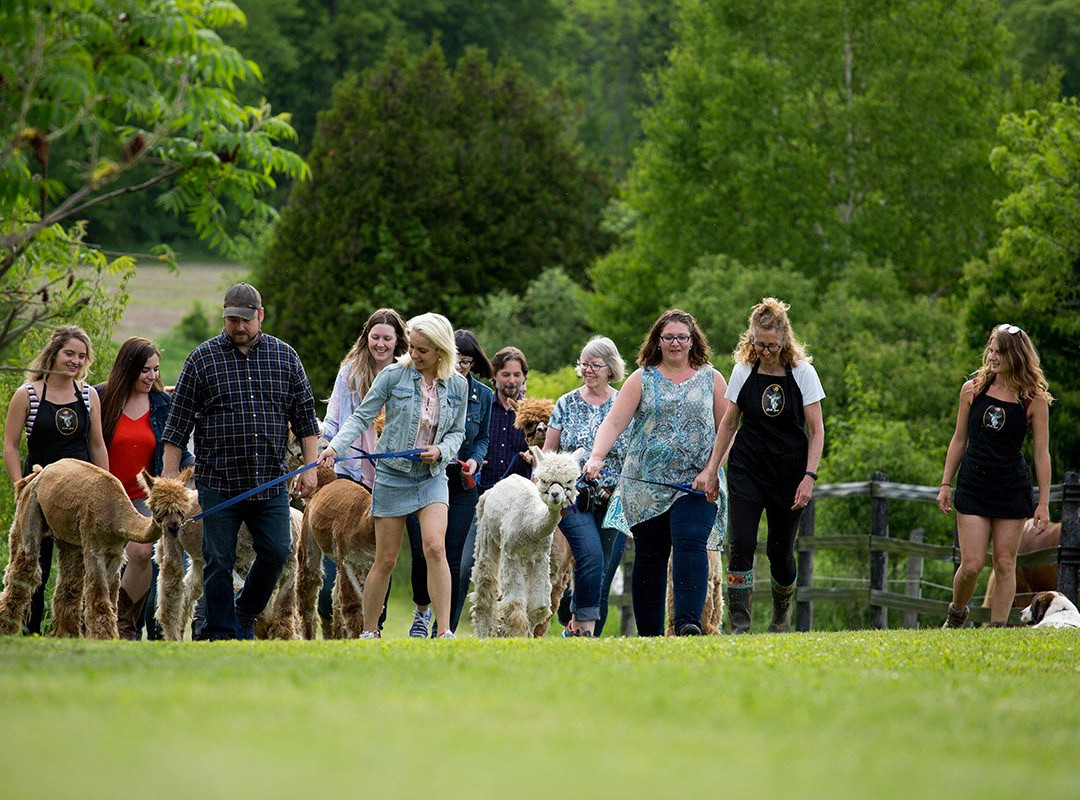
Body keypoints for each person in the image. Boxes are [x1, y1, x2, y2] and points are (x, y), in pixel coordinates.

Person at [161, 283, 320, 641]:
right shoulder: (201, 360)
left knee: (278, 551)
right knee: (217, 560)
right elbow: (177, 425)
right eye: (232, 320)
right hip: (219, 483)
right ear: (224, 318)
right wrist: (170, 482)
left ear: (260, 316)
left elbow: (307, 420)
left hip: (269, 482)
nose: (239, 327)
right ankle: (219, 632)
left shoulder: (285, 357)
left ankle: (244, 614)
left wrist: (309, 469)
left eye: (246, 320)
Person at [319, 312, 467, 639]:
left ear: (441, 351)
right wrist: (334, 448)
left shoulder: (458, 385)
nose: (413, 354)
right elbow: (360, 418)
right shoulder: (393, 376)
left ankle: (443, 632)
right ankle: (369, 631)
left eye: (422, 350)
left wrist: (441, 451)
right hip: (392, 476)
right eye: (412, 347)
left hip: (431, 476)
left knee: (435, 548)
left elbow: (457, 433)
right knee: (384, 558)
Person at [585, 310, 728, 637]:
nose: (675, 343)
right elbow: (615, 422)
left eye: (682, 337)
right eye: (669, 337)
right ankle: (650, 635)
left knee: (691, 539)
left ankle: (687, 622)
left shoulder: (712, 378)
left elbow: (727, 430)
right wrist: (596, 457)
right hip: (646, 483)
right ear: (658, 341)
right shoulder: (642, 378)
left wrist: (712, 469)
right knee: (651, 553)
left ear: (693, 341)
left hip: (697, 481)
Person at [698, 298, 825, 634]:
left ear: (784, 339)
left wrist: (809, 477)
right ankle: (740, 624)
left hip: (789, 472)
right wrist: (713, 470)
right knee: (741, 542)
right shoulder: (743, 371)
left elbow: (816, 431)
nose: (765, 351)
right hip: (748, 468)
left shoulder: (803, 374)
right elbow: (728, 423)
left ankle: (782, 615)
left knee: (780, 551)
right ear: (750, 339)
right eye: (758, 344)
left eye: (770, 345)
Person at [937, 323, 1051, 628]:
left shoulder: (1033, 400)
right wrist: (946, 482)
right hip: (974, 484)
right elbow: (959, 439)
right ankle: (957, 613)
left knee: (1004, 562)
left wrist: (1043, 502)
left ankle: (998, 629)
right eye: (991, 348)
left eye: (1000, 351)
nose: (993, 355)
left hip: (1011, 488)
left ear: (1016, 355)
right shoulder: (972, 389)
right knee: (972, 565)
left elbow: (1041, 453)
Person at [3, 325, 109, 634]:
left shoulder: (88, 396)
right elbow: (10, 444)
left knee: (76, 565)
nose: (75, 361)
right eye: (69, 354)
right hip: (39, 491)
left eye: (81, 356)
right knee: (33, 561)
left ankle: (68, 628)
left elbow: (97, 444)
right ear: (54, 354)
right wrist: (18, 485)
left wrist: (105, 485)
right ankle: (26, 627)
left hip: (79, 493)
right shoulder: (28, 394)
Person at [97, 337, 194, 639]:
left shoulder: (163, 403)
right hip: (108, 494)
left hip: (143, 496)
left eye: (155, 369)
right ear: (127, 368)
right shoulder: (100, 398)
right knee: (103, 559)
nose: (151, 376)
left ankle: (124, 624)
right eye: (144, 370)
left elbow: (175, 445)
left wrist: (194, 469)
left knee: (140, 553)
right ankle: (97, 617)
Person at [320, 308, 407, 632]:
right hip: (350, 470)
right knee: (340, 548)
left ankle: (372, 623)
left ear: (398, 341)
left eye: (387, 338)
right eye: (375, 337)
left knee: (378, 555)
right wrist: (322, 441)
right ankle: (330, 613)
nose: (380, 344)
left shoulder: (406, 375)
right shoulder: (350, 372)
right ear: (366, 337)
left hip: (387, 476)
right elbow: (337, 417)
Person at [405, 330, 492, 636]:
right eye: (458, 360)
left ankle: (445, 629)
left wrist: (476, 461)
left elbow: (482, 439)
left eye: (468, 362)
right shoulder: (432, 386)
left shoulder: (484, 395)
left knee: (452, 558)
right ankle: (421, 609)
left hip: (462, 482)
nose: (462, 368)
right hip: (426, 478)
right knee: (422, 551)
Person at [544, 336, 631, 638]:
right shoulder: (565, 403)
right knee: (591, 555)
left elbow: (635, 453)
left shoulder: (625, 403)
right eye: (584, 364)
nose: (588, 370)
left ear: (611, 368)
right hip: (574, 498)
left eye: (596, 365)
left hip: (615, 499)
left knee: (603, 573)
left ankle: (585, 634)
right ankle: (582, 628)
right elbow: (550, 453)